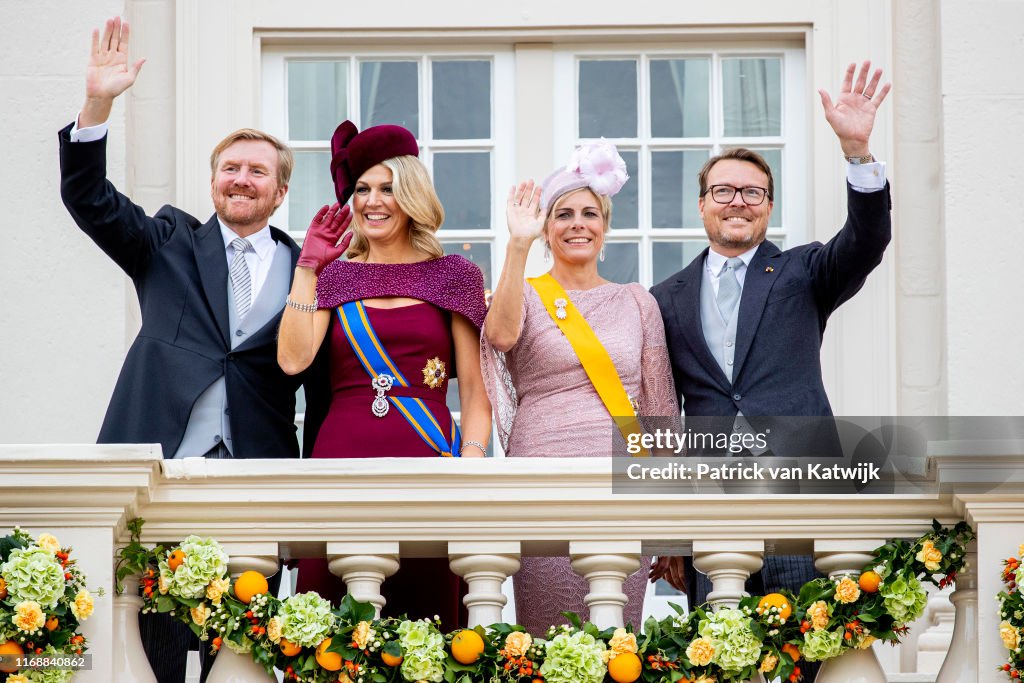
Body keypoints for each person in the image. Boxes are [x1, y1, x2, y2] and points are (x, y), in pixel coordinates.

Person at [59, 17, 329, 683]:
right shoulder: (167, 241)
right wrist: (98, 104)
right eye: (231, 168)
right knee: (142, 636)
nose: (242, 179)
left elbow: (316, 383)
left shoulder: (307, 268)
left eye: (257, 170)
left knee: (241, 646)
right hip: (155, 460)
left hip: (255, 473)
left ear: (280, 189)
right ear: (214, 181)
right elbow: (88, 197)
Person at [649, 61, 893, 678]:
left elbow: (866, 241)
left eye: (752, 192)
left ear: (768, 206)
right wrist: (672, 533)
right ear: (702, 205)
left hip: (799, 494)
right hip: (711, 509)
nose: (738, 202)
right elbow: (665, 411)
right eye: (724, 191)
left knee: (804, 657)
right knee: (721, 661)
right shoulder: (665, 296)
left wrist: (858, 153)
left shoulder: (805, 272)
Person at [277, 119, 491, 630]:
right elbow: (292, 360)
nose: (372, 201)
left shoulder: (454, 275)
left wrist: (471, 466)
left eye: (387, 189)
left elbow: (477, 394)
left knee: (428, 624)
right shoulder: (336, 275)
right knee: (333, 627)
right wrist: (307, 266)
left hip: (429, 462)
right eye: (362, 189)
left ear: (412, 194)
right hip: (341, 459)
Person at [481, 141, 679, 634]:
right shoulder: (524, 293)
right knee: (547, 634)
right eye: (563, 214)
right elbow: (500, 336)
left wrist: (675, 520)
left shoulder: (637, 301)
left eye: (590, 213)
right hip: (542, 473)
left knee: (616, 633)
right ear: (547, 228)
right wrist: (517, 245)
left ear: (605, 226)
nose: (577, 223)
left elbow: (659, 409)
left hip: (623, 480)